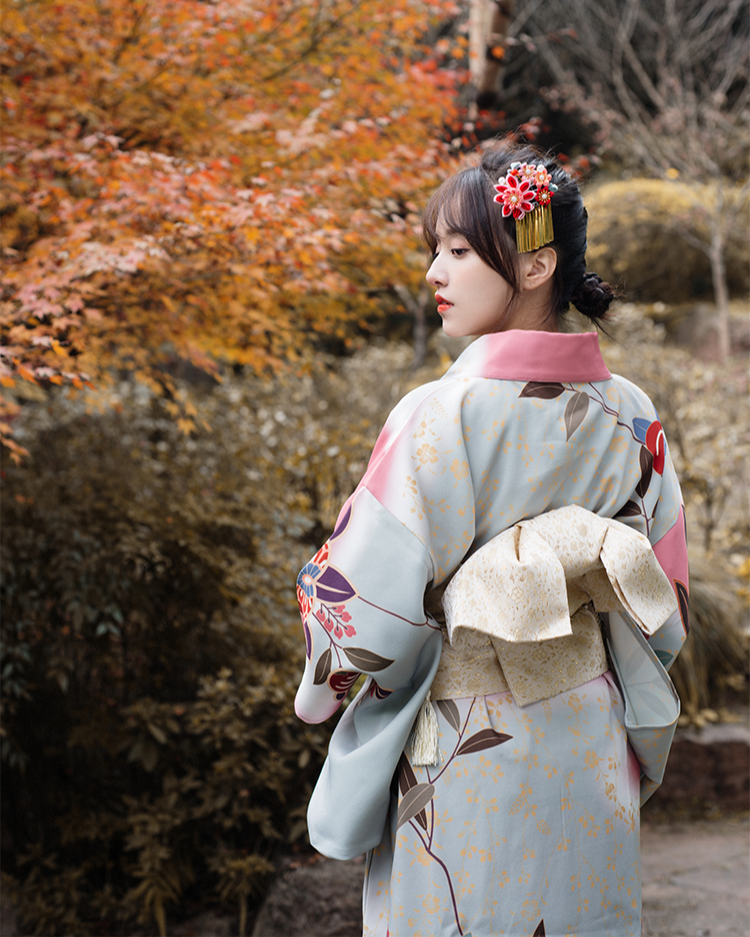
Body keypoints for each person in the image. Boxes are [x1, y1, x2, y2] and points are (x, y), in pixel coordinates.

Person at [294, 142, 689, 937]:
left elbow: (361, 618)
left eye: (459, 250)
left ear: (535, 265)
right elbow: (665, 601)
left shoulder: (438, 416)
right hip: (590, 735)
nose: (435, 273)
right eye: (434, 251)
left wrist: (326, 679)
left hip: (465, 742)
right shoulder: (632, 414)